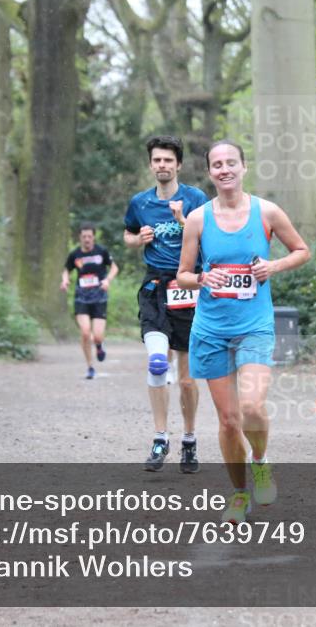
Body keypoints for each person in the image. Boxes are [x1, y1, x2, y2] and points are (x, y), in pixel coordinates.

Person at [177, 139, 310, 524]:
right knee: (229, 420)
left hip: (254, 325)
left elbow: (302, 250)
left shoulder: (266, 212)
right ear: (210, 172)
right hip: (211, 329)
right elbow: (182, 275)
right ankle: (238, 494)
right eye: (216, 164)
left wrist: (274, 267)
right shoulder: (199, 219)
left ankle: (261, 460)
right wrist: (202, 278)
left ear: (243, 167)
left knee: (252, 407)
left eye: (230, 162)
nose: (224, 169)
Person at [124, 135, 208, 472]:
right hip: (155, 286)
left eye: (168, 161)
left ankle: (189, 439)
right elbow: (128, 234)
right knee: (158, 363)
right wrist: (137, 239)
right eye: (157, 160)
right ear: (150, 164)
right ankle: (160, 437)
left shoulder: (196, 198)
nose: (162, 165)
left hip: (187, 285)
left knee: (187, 379)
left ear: (178, 165)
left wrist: (182, 221)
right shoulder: (140, 202)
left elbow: (209, 238)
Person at [61, 222, 118, 379]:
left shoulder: (102, 252)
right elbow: (66, 270)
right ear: (80, 237)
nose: (87, 239)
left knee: (97, 336)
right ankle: (90, 366)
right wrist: (65, 280)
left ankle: (99, 345)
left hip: (99, 297)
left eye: (89, 236)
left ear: (93, 237)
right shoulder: (75, 255)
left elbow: (114, 268)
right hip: (82, 298)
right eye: (84, 236)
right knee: (86, 333)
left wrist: (107, 280)